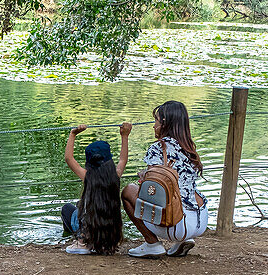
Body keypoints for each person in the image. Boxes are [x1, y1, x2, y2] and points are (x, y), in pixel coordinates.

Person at [122, 101, 208, 258]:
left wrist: (144, 178)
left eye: (156, 121)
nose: (154, 126)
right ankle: (184, 240)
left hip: (176, 224)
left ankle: (152, 244)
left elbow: (151, 192)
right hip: (199, 221)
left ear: (164, 122)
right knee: (184, 190)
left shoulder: (158, 148)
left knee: (128, 191)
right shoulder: (189, 148)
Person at [61, 122, 131, 255]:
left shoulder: (88, 177)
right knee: (79, 205)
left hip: (89, 231)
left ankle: (80, 241)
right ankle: (101, 242)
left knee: (67, 209)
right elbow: (123, 160)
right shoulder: (115, 175)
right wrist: (124, 136)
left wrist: (73, 134)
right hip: (110, 232)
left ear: (89, 162)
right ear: (109, 159)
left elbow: (69, 158)